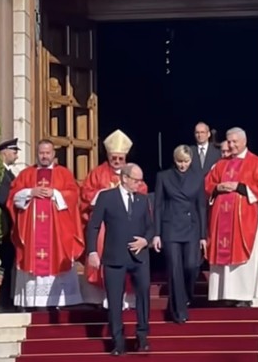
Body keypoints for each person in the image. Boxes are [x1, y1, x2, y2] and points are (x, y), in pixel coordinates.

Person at [205, 127, 258, 306]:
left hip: (247, 218)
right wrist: (217, 188)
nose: (232, 145)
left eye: (235, 142)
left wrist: (240, 187)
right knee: (224, 255)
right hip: (222, 220)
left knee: (246, 256)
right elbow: (208, 184)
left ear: (244, 141)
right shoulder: (221, 164)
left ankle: (245, 294)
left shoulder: (256, 163)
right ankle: (224, 295)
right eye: (229, 142)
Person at [7, 139, 84, 309]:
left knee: (58, 256)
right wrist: (30, 192)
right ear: (37, 153)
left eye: (48, 153)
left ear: (53, 154)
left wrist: (55, 193)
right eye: (41, 152)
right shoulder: (26, 174)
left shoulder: (63, 174)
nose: (44, 156)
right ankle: (33, 302)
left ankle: (60, 302)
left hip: (57, 233)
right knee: (32, 261)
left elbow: (73, 195)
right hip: (32, 234)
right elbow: (13, 197)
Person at [87, 163, 153, 356]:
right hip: (114, 257)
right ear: (124, 178)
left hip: (139, 257)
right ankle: (118, 341)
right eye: (136, 180)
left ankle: (142, 337)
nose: (139, 184)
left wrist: (146, 240)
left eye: (140, 180)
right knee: (115, 300)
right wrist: (92, 251)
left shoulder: (142, 200)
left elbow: (150, 227)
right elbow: (94, 226)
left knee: (143, 295)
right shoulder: (107, 197)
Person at [81, 129, 148, 310]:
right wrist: (101, 195)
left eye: (120, 158)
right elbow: (86, 195)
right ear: (108, 155)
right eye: (114, 157)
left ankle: (128, 298)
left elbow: (142, 194)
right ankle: (102, 298)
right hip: (105, 228)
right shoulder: (97, 173)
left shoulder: (133, 173)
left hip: (129, 225)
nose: (117, 161)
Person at [152, 145, 207, 323]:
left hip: (191, 227)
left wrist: (203, 236)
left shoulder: (198, 177)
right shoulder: (164, 176)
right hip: (170, 228)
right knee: (174, 268)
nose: (183, 165)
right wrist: (157, 233)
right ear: (174, 161)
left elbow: (201, 206)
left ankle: (186, 296)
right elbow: (158, 205)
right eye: (179, 162)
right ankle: (179, 311)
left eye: (186, 161)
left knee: (191, 265)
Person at [0, 138, 20, 312]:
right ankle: (1, 303)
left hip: (11, 225)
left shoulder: (10, 174)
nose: (16, 154)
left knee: (9, 264)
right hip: (2, 224)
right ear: (4, 152)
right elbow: (3, 198)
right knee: (4, 263)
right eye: (13, 150)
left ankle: (6, 301)